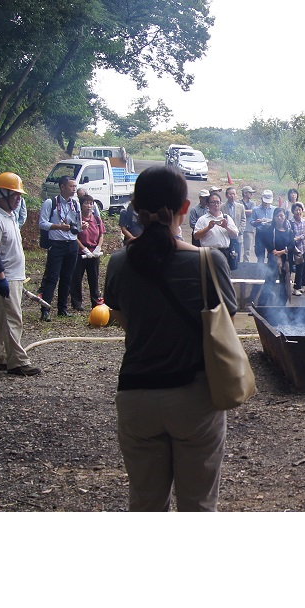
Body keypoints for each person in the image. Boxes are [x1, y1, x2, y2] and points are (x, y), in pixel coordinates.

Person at [104, 165, 234, 511]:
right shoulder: (209, 262)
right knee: (198, 505)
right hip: (194, 398)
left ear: (134, 207)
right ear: (186, 209)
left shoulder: (118, 264)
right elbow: (225, 320)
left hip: (135, 396)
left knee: (146, 505)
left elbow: (120, 317)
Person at [0, 172, 40, 375]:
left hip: (12, 276)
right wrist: (1, 277)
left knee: (0, 320)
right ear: (2, 194)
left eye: (19, 195)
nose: (18, 199)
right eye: (15, 195)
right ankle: (18, 362)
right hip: (4, 278)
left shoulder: (9, 217)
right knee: (12, 319)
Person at [38, 176, 82, 321]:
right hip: (56, 244)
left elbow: (78, 223)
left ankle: (62, 309)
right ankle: (45, 309)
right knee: (52, 277)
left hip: (72, 244)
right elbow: (42, 223)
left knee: (67, 277)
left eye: (75, 186)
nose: (74, 189)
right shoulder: (50, 203)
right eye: (71, 186)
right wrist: (57, 226)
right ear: (62, 187)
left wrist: (82, 227)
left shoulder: (75, 203)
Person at [251, 207, 294, 307]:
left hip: (286, 260)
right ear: (274, 217)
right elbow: (267, 242)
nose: (280, 218)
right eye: (277, 216)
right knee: (269, 282)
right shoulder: (270, 230)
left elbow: (292, 245)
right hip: (273, 259)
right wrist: (275, 253)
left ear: (285, 217)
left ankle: (281, 307)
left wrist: (282, 252)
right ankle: (261, 306)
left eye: (282, 216)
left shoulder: (289, 231)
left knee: (285, 284)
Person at [70, 194, 106, 311]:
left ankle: (95, 302)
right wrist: (83, 249)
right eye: (86, 203)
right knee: (77, 278)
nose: (89, 206)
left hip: (94, 252)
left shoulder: (97, 219)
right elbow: (74, 236)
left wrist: (98, 247)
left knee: (94, 278)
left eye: (91, 203)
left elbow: (101, 234)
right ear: (81, 205)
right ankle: (77, 303)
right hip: (81, 253)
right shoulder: (77, 219)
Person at [193, 194, 239, 268]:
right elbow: (196, 236)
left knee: (224, 276)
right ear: (207, 204)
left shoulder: (226, 218)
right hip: (208, 253)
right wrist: (208, 228)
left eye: (218, 202)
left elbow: (235, 235)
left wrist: (226, 227)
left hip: (224, 252)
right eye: (213, 202)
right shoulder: (202, 219)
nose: (216, 204)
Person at [290, 202, 305, 295]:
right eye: (296, 210)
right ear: (292, 211)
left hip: (302, 248)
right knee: (289, 267)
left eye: (300, 210)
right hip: (291, 248)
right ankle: (287, 286)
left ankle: (297, 287)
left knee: (300, 268)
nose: (298, 212)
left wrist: (297, 238)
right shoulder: (290, 222)